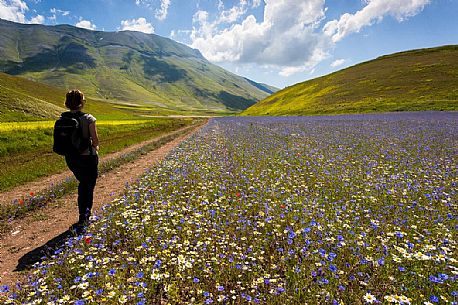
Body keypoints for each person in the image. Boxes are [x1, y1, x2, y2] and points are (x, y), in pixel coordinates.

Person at [63, 89, 99, 228]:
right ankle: (84, 217)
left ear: (67, 103)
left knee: (83, 183)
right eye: (83, 99)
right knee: (87, 186)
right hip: (87, 157)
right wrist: (95, 148)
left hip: (71, 158)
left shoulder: (63, 119)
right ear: (81, 103)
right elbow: (95, 140)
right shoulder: (89, 118)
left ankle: (83, 215)